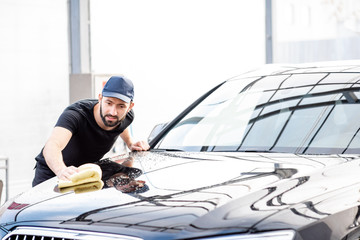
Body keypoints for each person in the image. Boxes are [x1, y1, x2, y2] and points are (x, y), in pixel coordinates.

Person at [32, 76, 150, 187]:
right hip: (53, 172)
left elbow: (123, 125)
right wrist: (61, 170)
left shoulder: (127, 116)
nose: (113, 112)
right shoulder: (76, 114)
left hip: (85, 174)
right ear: (100, 98)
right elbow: (53, 144)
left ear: (130, 107)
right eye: (109, 103)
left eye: (121, 106)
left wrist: (130, 143)